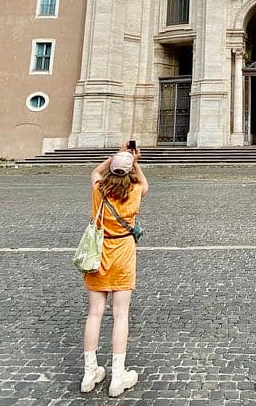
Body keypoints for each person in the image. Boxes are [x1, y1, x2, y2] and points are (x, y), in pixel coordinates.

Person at [80, 143, 149, 396]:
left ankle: (90, 373)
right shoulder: (135, 191)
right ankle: (117, 377)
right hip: (122, 252)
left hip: (99, 252)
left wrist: (113, 158)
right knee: (121, 315)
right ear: (130, 171)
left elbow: (94, 174)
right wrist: (135, 161)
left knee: (94, 313)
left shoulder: (99, 189)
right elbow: (145, 184)